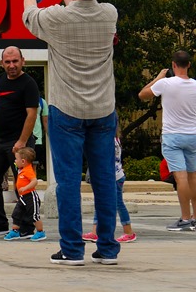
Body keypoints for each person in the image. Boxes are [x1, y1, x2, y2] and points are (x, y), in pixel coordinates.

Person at [23, 0, 118, 265]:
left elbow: (28, 15)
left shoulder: (56, 20)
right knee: (104, 180)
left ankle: (72, 249)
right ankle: (107, 248)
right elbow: (83, 13)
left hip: (67, 110)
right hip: (103, 110)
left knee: (67, 182)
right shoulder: (109, 15)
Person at [0, 46, 39, 238]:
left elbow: (32, 114)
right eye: (7, 62)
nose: (11, 65)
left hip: (19, 142)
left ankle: (27, 226)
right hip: (0, 140)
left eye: (15, 61)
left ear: (23, 61)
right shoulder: (0, 81)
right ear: (1, 63)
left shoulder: (28, 84)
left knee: (23, 184)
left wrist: (22, 141)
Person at [139, 49, 196, 231]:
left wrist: (158, 77)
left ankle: (185, 218)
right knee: (193, 177)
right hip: (193, 135)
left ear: (173, 65)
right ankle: (195, 217)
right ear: (188, 65)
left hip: (173, 136)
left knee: (181, 178)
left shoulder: (165, 83)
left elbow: (143, 94)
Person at [84, 132, 136, 243]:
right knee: (101, 201)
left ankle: (128, 232)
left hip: (114, 176)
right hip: (113, 175)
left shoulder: (109, 140)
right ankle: (95, 232)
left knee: (118, 203)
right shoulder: (114, 138)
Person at [4, 147, 45, 242]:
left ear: (23, 161)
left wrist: (26, 188)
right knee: (17, 213)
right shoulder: (21, 169)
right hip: (23, 197)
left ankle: (40, 232)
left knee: (34, 216)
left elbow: (34, 181)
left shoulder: (28, 170)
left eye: (16, 159)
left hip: (31, 196)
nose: (15, 161)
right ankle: (15, 231)